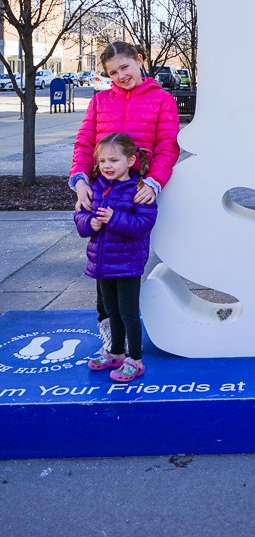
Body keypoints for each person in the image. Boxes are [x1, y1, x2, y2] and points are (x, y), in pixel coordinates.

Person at [69, 41, 180, 351]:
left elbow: (167, 146)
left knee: (128, 261)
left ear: (139, 60)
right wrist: (79, 181)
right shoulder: (100, 102)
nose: (120, 75)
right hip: (100, 191)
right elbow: (83, 145)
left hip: (135, 194)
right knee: (103, 262)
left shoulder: (162, 100)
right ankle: (109, 333)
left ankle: (130, 335)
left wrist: (154, 181)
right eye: (112, 72)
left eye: (125, 67)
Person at [74, 133, 157, 381]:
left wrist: (114, 218)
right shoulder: (96, 187)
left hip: (128, 263)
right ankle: (116, 353)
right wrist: (91, 223)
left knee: (128, 312)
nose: (107, 166)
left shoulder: (139, 189)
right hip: (101, 263)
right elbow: (80, 219)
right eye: (102, 161)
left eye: (114, 160)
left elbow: (144, 224)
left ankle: (135, 359)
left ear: (131, 160)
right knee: (111, 311)